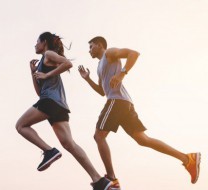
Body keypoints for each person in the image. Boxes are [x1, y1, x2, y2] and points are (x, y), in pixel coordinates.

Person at [78, 36, 201, 188]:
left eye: (91, 46)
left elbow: (133, 54)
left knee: (99, 136)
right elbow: (102, 91)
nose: (89, 50)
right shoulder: (99, 67)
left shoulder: (109, 53)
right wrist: (87, 79)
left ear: (99, 45)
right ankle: (188, 159)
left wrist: (121, 74)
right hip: (123, 103)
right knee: (143, 140)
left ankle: (112, 178)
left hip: (117, 101)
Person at [15, 32, 113, 190]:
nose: (35, 45)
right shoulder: (42, 61)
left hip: (50, 102)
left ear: (44, 42)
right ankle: (99, 180)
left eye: (37, 42)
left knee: (20, 126)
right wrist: (33, 72)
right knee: (70, 144)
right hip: (58, 105)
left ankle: (49, 151)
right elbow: (40, 92)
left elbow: (67, 63)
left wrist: (47, 74)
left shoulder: (49, 53)